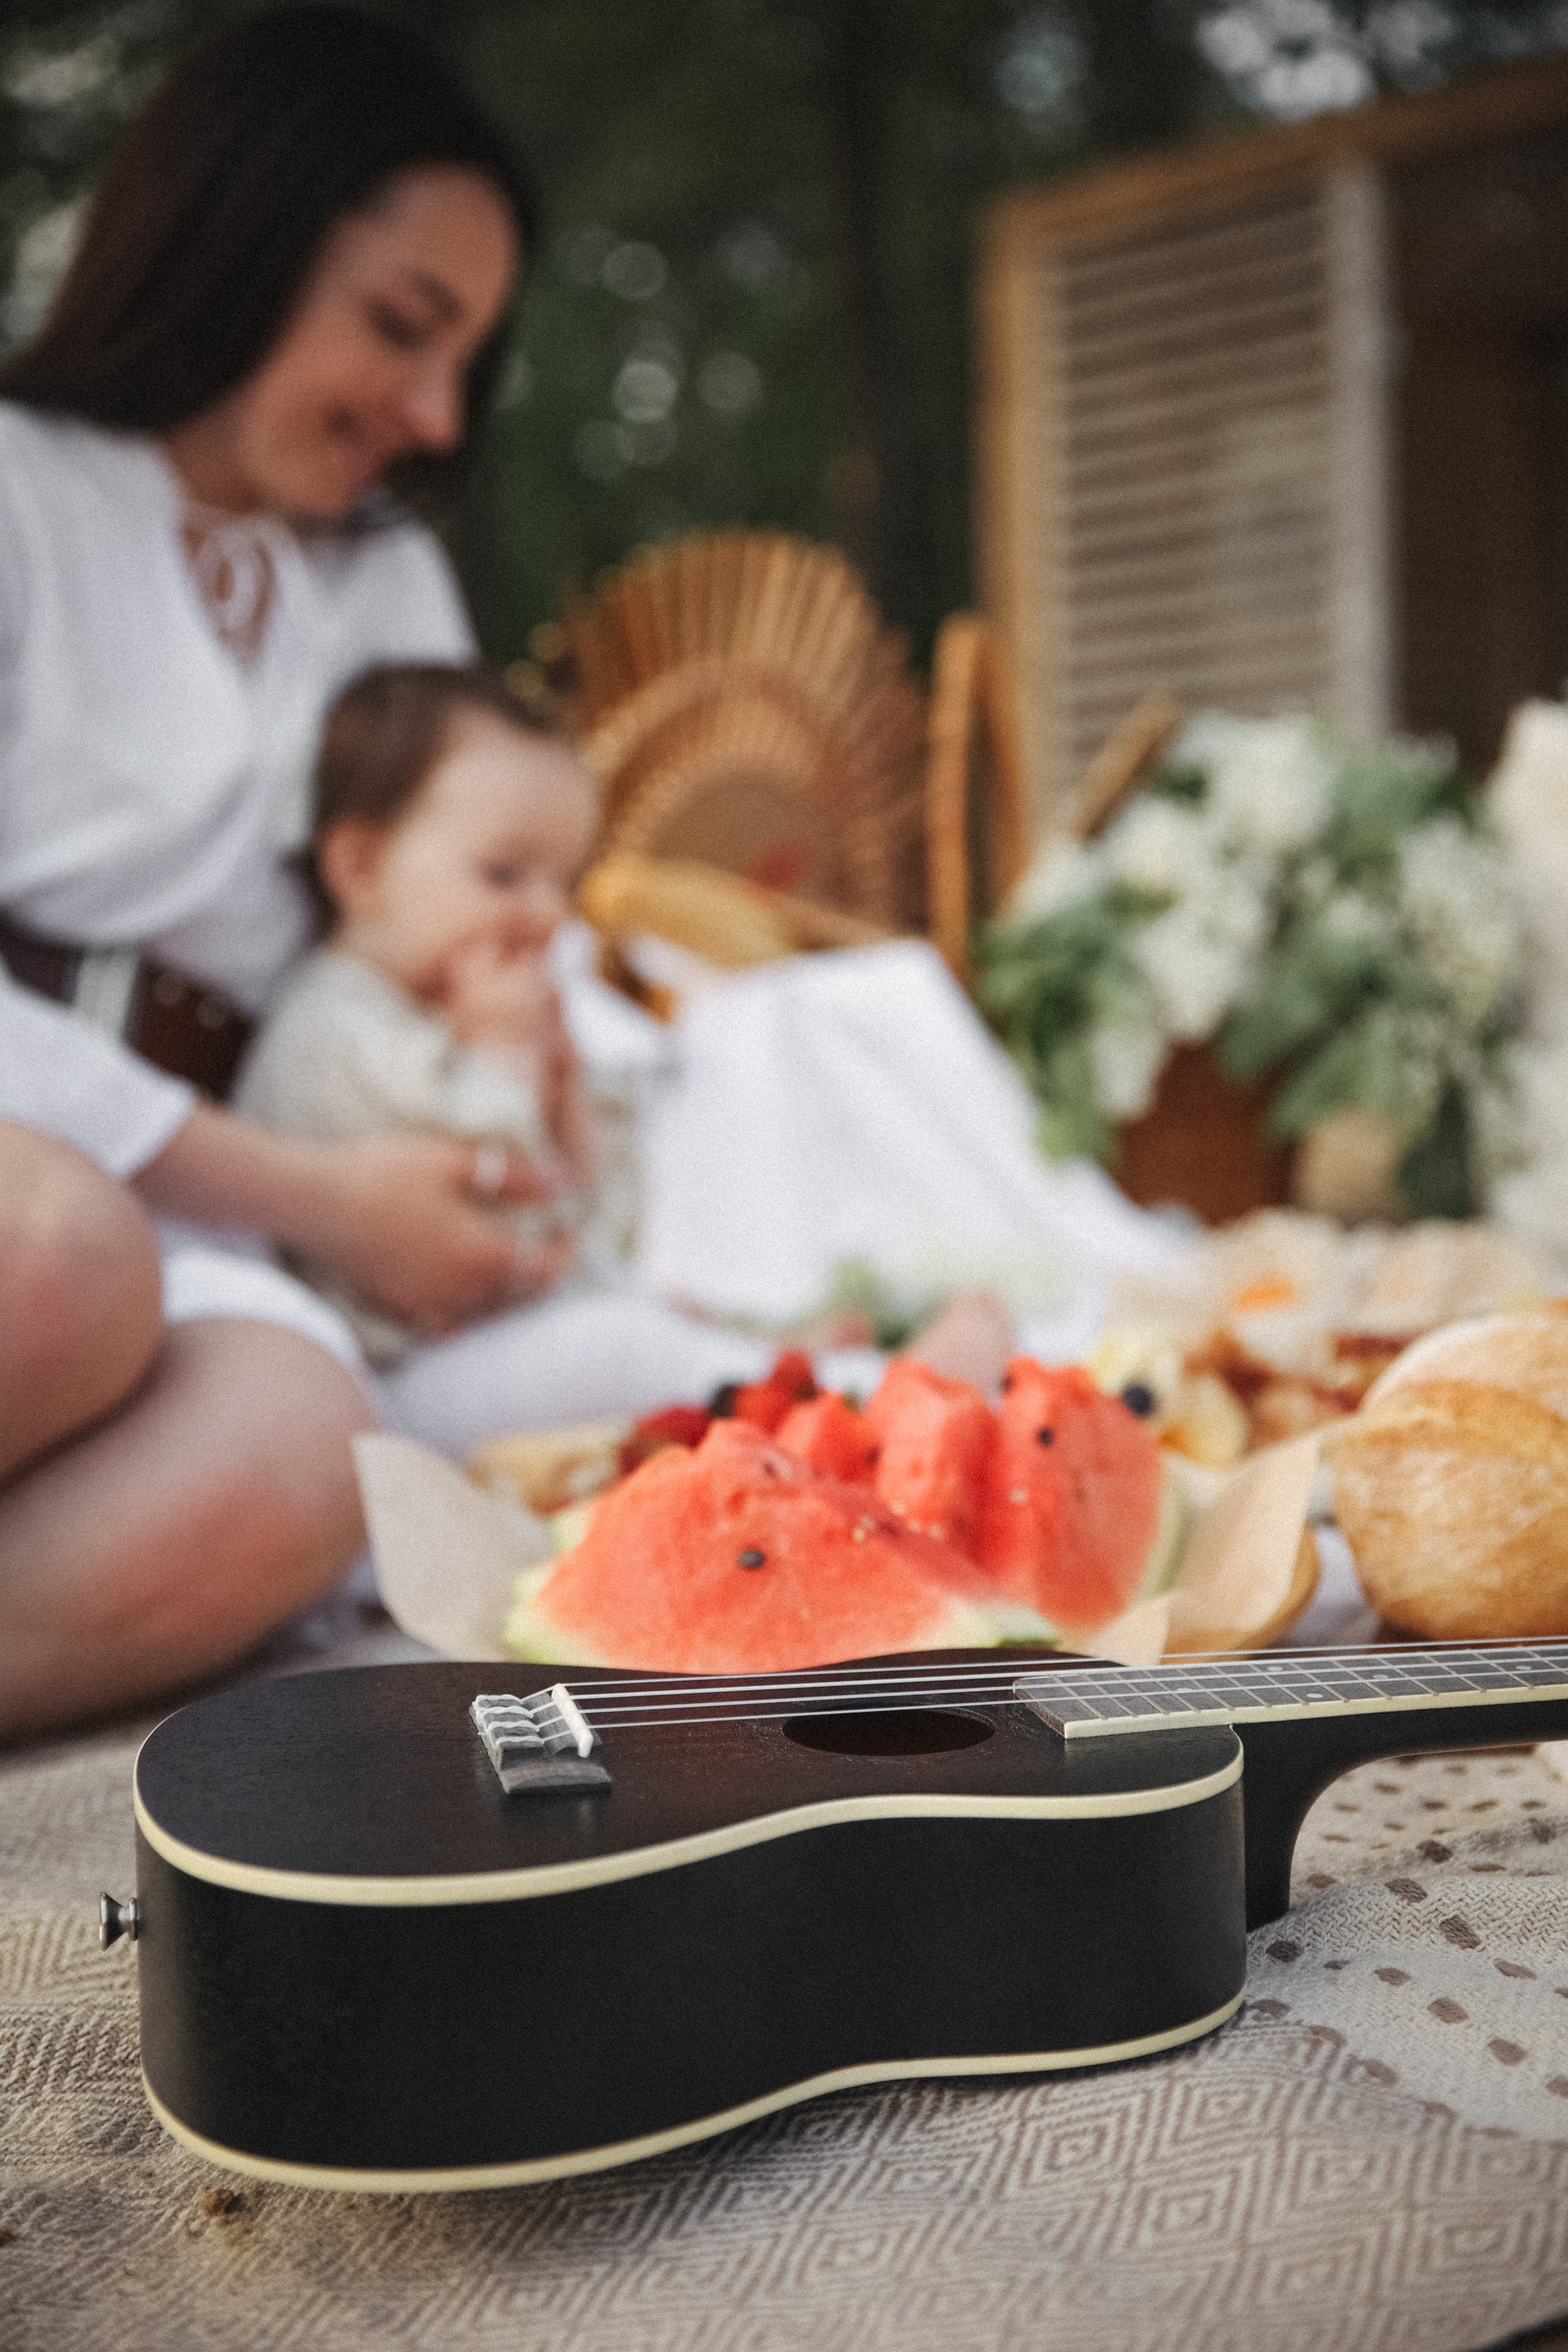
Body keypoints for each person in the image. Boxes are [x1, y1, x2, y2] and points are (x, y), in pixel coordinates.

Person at [0, 8, 567, 1736]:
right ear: (236, 228)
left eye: (466, 357)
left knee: (317, 1459)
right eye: (400, 325)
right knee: (61, 1259)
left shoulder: (387, 582)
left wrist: (528, 1075)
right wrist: (319, 1197)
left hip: (229, 1191)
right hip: (70, 1163)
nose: (434, 410)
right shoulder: (18, 490)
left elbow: (478, 890)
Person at [234, 662, 601, 1365]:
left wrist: (564, 1082)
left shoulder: (445, 1013)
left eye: (566, 884)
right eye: (504, 875)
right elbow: (502, 1198)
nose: (551, 916)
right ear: (361, 868)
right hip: (397, 1362)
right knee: (621, 1349)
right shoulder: (332, 1031)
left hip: (506, 1334)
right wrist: (506, 1052)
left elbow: (578, 1195)